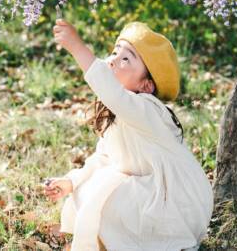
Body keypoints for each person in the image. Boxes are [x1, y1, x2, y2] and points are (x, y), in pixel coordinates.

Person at [44, 18, 213, 251]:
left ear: (145, 86)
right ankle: (110, 241)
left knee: (106, 198)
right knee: (88, 187)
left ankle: (145, 241)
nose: (113, 61)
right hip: (147, 189)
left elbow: (113, 93)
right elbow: (103, 159)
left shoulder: (148, 110)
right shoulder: (117, 112)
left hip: (176, 201)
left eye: (125, 59)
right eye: (114, 52)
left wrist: (77, 47)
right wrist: (71, 181)